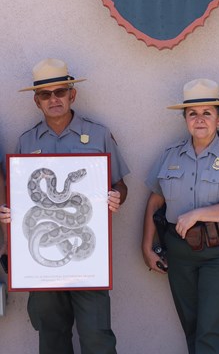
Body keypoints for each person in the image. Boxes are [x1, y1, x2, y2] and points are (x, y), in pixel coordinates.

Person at [0, 58, 129, 353]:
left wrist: (117, 197)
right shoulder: (26, 141)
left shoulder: (98, 134)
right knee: (52, 338)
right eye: (46, 94)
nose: (54, 99)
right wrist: (9, 215)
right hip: (41, 264)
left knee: (97, 337)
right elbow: (18, 198)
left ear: (73, 94)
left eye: (60, 92)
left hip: (89, 261)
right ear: (37, 101)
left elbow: (120, 183)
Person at [142, 78, 219, 354]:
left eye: (207, 113)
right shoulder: (170, 156)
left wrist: (198, 214)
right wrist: (146, 245)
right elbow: (155, 200)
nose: (199, 119)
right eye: (192, 113)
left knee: (213, 335)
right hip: (180, 254)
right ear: (184, 119)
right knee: (193, 331)